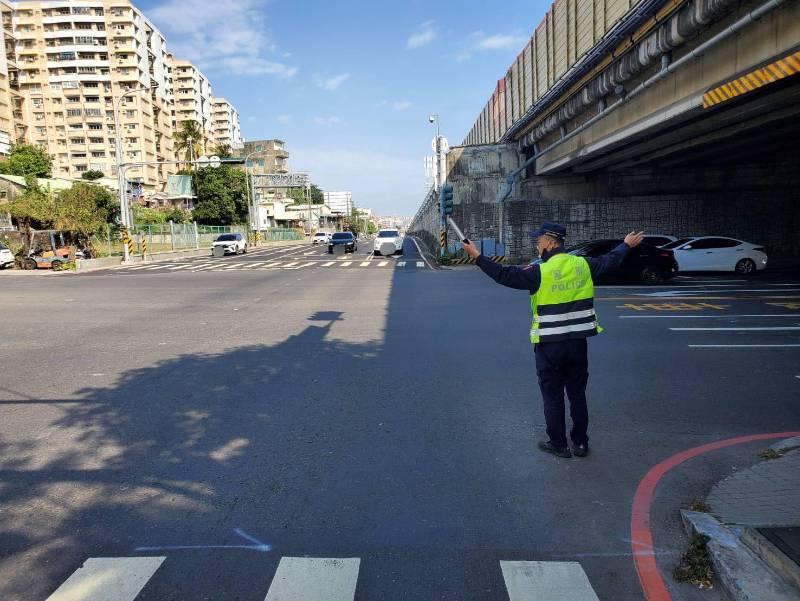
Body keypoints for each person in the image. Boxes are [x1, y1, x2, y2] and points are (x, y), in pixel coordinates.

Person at [462, 222, 645, 458]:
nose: (536, 244)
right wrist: (625, 245)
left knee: (553, 396)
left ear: (549, 242)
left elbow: (505, 275)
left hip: (550, 345)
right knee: (577, 394)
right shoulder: (582, 265)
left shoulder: (540, 271)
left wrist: (477, 256)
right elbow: (610, 260)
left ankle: (558, 444)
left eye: (538, 240)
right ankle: (580, 443)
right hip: (578, 343)